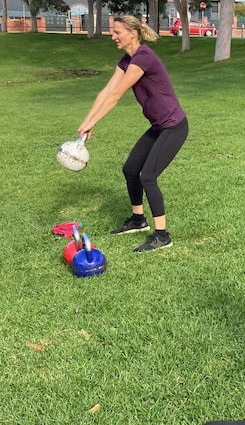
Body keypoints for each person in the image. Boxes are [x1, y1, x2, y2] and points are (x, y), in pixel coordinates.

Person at [77, 15, 188, 253]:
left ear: (132, 33)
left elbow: (117, 95)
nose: (113, 36)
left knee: (148, 175)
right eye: (112, 31)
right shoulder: (126, 60)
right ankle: (138, 220)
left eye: (117, 32)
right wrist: (88, 120)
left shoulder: (143, 58)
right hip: (159, 126)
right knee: (130, 169)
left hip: (174, 126)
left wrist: (94, 121)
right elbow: (107, 90)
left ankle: (162, 236)